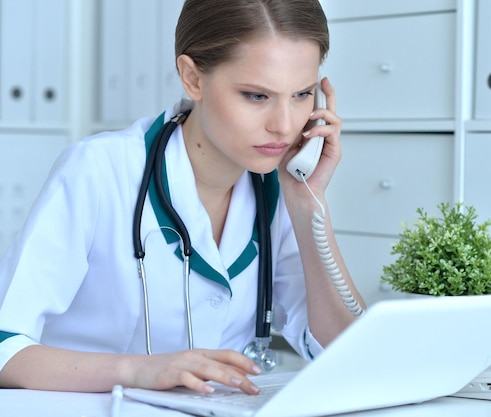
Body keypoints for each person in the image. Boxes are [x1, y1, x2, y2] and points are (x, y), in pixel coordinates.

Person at [0, 0, 365, 395]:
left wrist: (310, 204)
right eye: (256, 96)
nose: (285, 125)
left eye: (302, 95)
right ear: (192, 79)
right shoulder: (100, 170)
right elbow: (6, 348)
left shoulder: (276, 189)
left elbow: (349, 355)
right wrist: (138, 371)